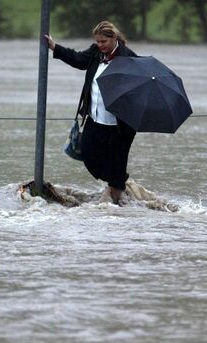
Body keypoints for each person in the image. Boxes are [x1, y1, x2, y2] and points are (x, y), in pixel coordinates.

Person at [44, 20, 137, 205]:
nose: (100, 45)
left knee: (117, 165)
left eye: (104, 41)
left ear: (114, 38)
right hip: (95, 119)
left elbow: (136, 90)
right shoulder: (96, 53)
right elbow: (78, 59)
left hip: (120, 125)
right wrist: (55, 47)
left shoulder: (128, 58)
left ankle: (116, 201)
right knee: (88, 155)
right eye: (98, 41)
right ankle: (117, 184)